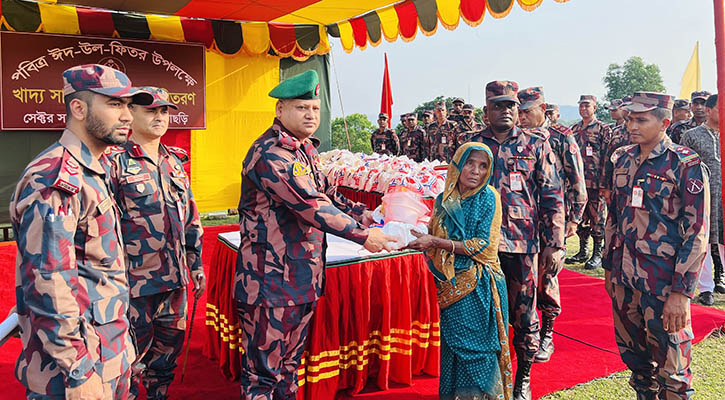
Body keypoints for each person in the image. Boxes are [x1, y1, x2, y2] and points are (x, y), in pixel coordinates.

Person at [234, 70, 396, 399]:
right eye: (301, 108)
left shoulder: (304, 150)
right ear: (280, 110)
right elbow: (311, 206)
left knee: (290, 366)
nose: (310, 115)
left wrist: (367, 213)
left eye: (315, 109)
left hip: (299, 277)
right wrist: (365, 237)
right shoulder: (272, 154)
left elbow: (328, 195)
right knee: (265, 373)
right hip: (269, 283)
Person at [9, 64, 153, 399]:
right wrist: (78, 370)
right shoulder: (55, 178)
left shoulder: (94, 170)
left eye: (129, 106)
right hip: (74, 370)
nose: (128, 117)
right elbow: (48, 281)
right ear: (78, 108)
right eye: (115, 105)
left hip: (109, 354)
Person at [604, 92, 709, 400]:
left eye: (641, 120)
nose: (631, 126)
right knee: (638, 366)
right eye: (630, 119)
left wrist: (681, 292)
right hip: (625, 281)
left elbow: (697, 232)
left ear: (664, 122)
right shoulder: (622, 158)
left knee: (673, 373)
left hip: (664, 284)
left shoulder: (685, 165)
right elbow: (615, 217)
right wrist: (610, 269)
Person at [106, 87, 204, 400]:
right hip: (132, 285)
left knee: (165, 358)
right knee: (128, 360)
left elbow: (190, 217)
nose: (159, 117)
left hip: (174, 283)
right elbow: (104, 228)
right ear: (130, 114)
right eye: (150, 110)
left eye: (164, 111)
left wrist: (196, 264)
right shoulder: (114, 163)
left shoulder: (174, 163)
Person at [471, 81, 566, 400]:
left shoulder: (536, 144)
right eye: (498, 105)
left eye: (511, 105)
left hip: (522, 246)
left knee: (524, 317)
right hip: (479, 249)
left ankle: (522, 380)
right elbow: (454, 194)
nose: (506, 111)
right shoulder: (471, 145)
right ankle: (488, 379)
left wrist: (555, 243)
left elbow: (553, 195)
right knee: (482, 317)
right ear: (487, 112)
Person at [406, 142, 512, 400]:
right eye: (469, 163)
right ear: (457, 164)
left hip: (478, 286)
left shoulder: (488, 197)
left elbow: (483, 245)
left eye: (483, 166)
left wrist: (436, 243)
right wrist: (426, 238)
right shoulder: (444, 200)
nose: (475, 171)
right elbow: (436, 234)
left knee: (477, 350)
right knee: (453, 346)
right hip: (449, 286)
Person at [518, 86, 587, 363]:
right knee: (522, 279)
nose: (521, 117)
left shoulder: (561, 137)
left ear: (542, 109)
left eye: (527, 112)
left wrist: (574, 219)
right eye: (518, 112)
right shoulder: (517, 137)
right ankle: (524, 330)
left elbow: (576, 180)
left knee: (547, 279)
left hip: (551, 221)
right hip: (520, 221)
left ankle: (547, 333)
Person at [680, 93, 725, 305]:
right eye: (720, 108)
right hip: (703, 198)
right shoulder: (691, 136)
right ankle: (706, 288)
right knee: (704, 241)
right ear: (708, 110)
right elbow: (684, 168)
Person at [566, 95, 612, 270]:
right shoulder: (574, 129)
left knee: (597, 219)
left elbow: (607, 157)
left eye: (587, 106)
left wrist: (605, 183)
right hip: (578, 184)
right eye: (581, 106)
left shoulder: (603, 129)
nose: (584, 109)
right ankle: (582, 251)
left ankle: (597, 254)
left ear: (595, 108)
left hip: (596, 184)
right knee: (580, 217)